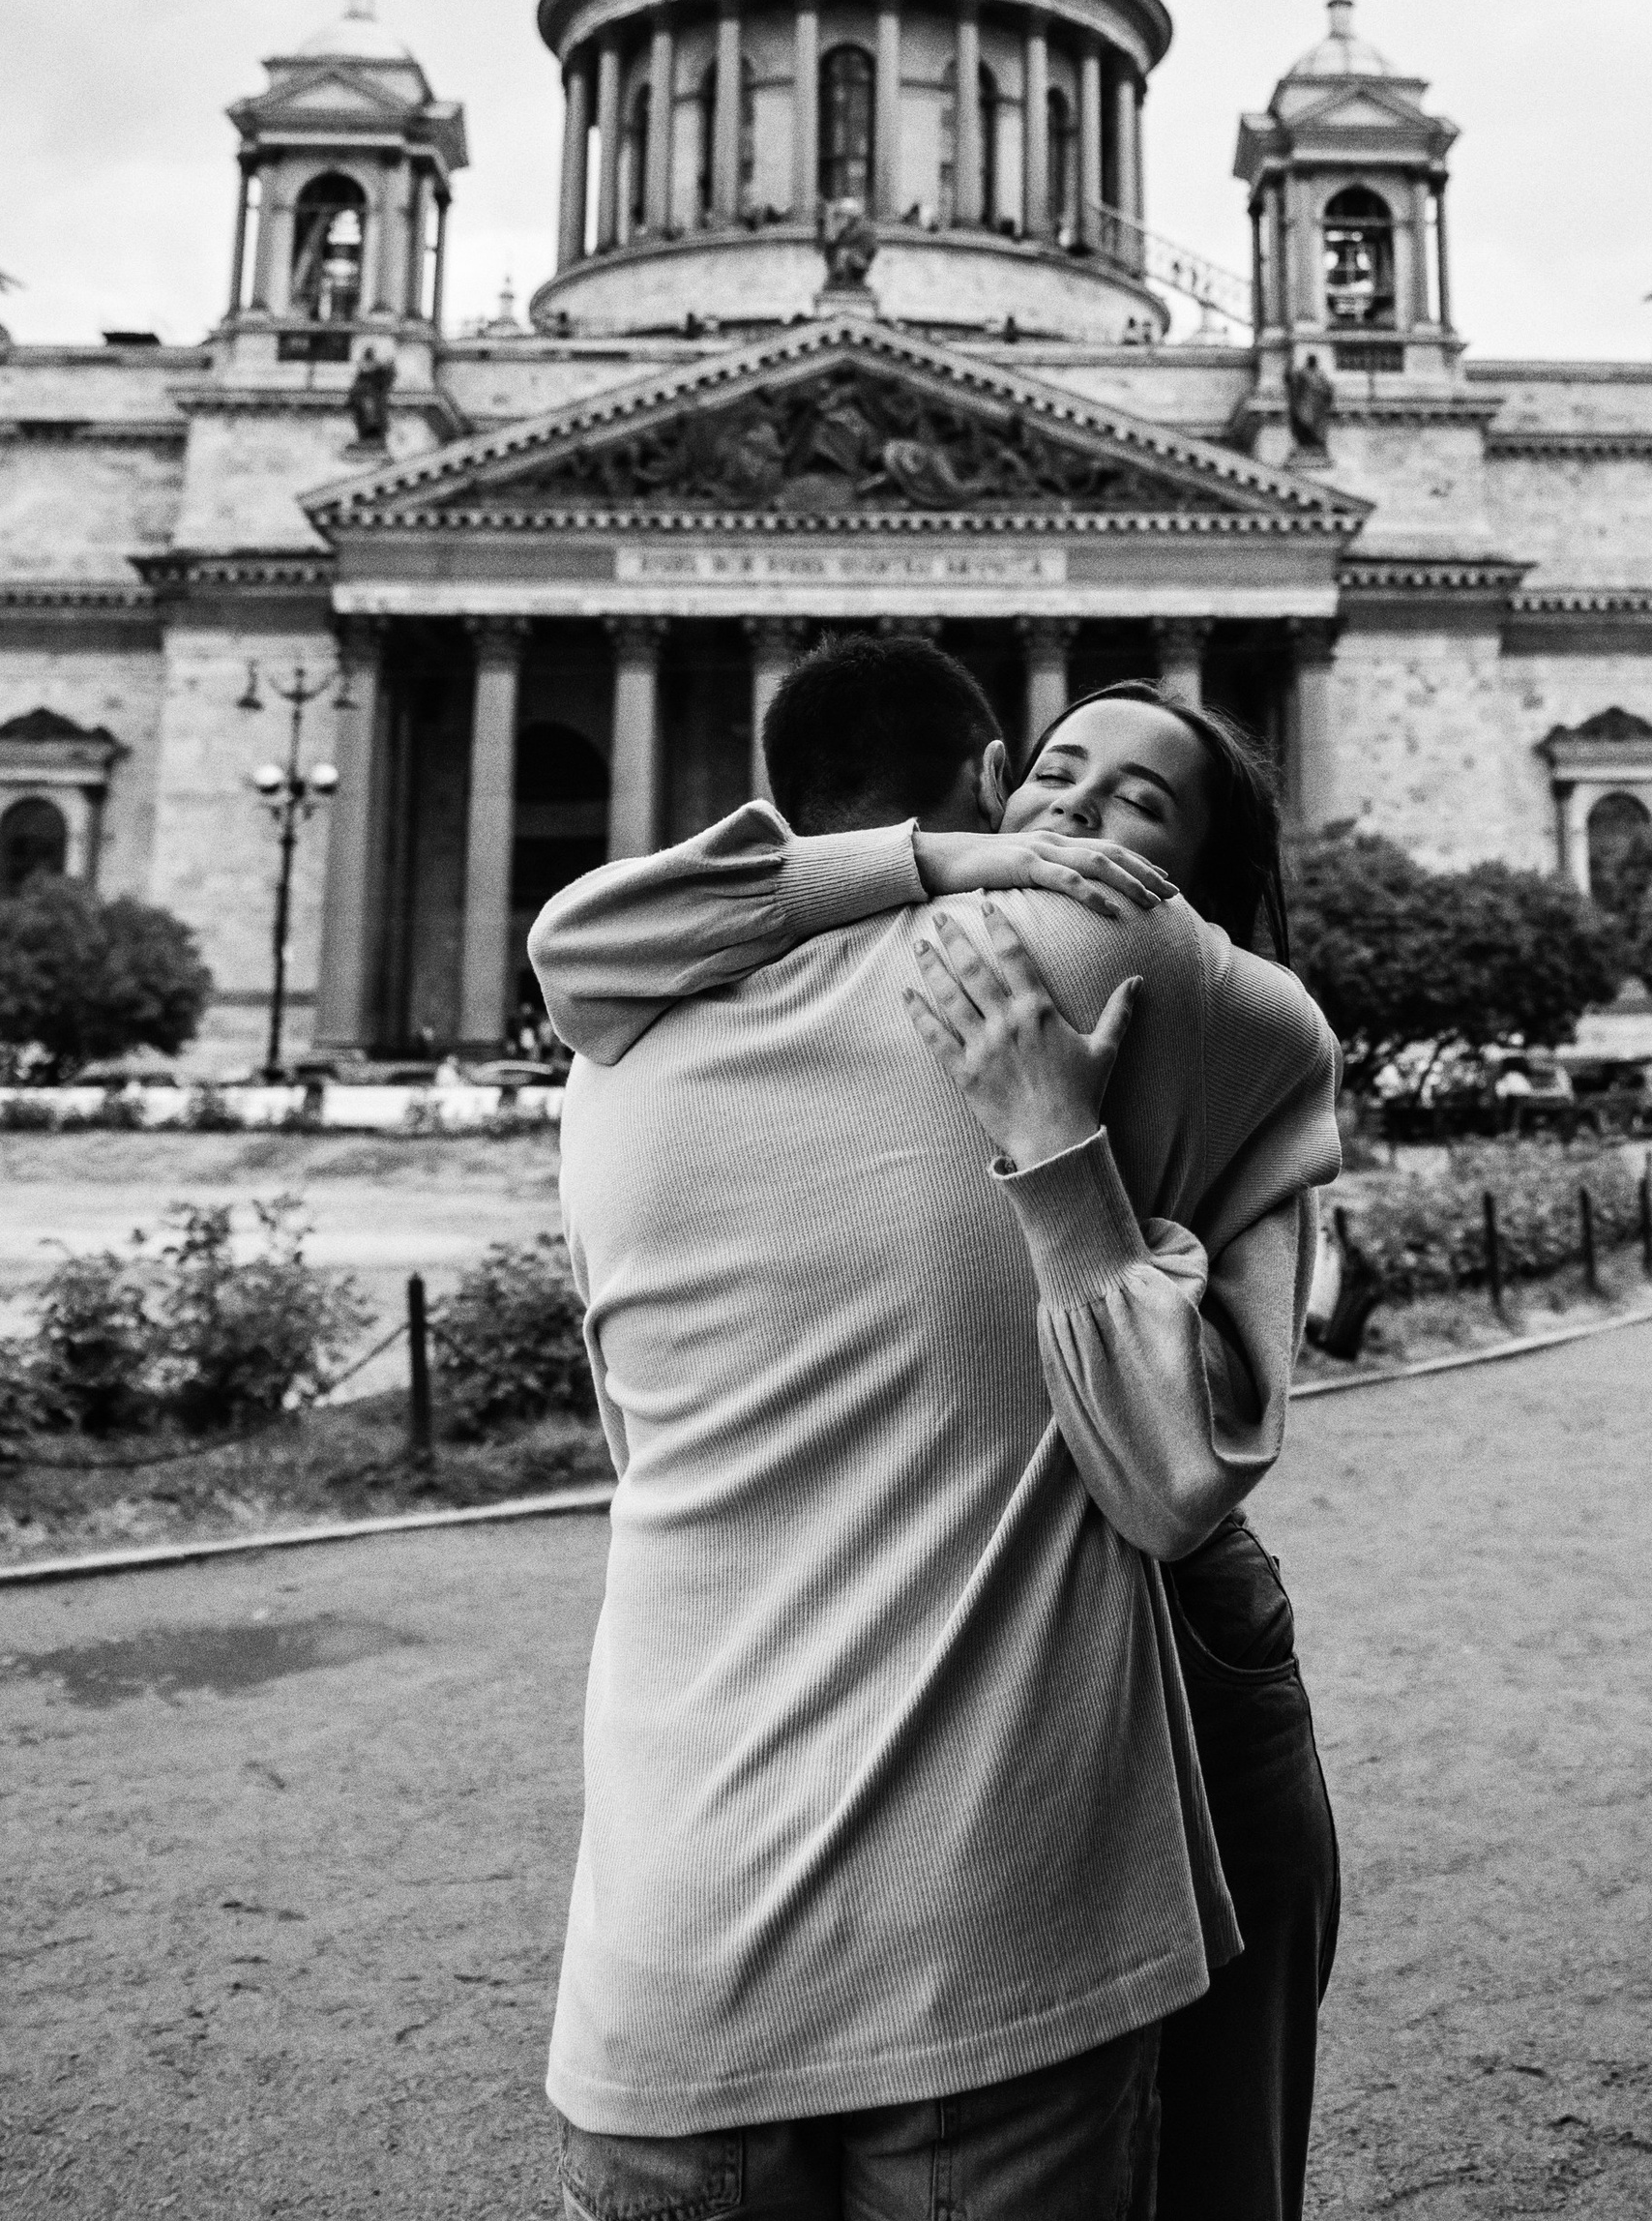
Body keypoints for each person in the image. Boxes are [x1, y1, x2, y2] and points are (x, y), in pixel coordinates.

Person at [532, 637, 1342, 2221]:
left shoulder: (620, 1040)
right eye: (1056, 778)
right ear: (989, 782)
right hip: (995, 1909)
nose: (1081, 822)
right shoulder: (1148, 968)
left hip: (673, 1932)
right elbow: (1186, 1465)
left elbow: (573, 946)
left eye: (1142, 806)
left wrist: (1053, 1123)